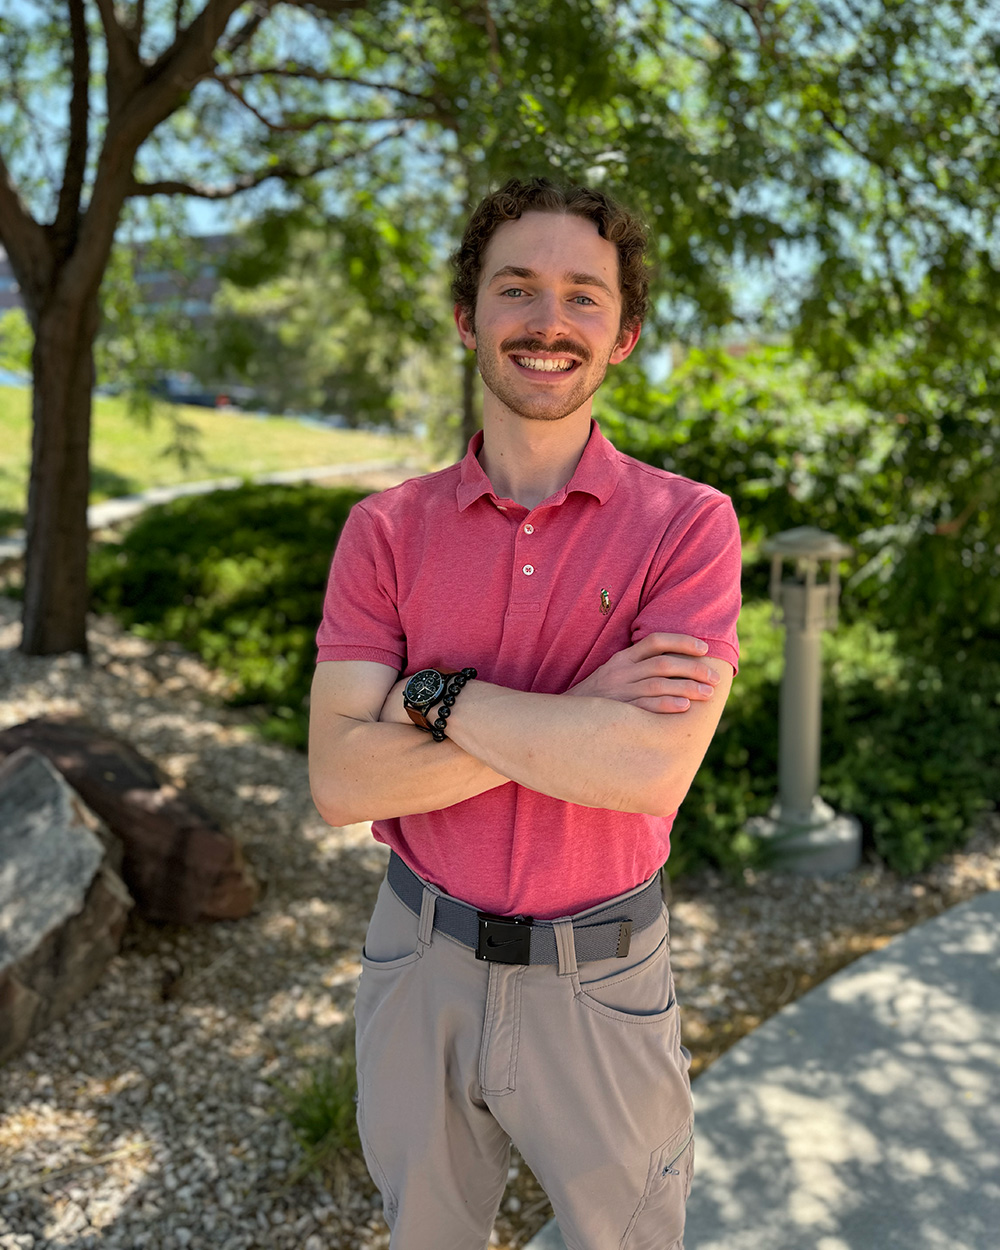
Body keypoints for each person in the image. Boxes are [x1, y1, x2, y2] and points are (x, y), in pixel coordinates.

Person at [309, 176, 741, 1250]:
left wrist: (431, 698)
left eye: (584, 296)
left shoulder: (687, 527)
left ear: (624, 333)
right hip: (419, 958)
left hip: (600, 980)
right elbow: (340, 783)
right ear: (468, 317)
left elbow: (646, 770)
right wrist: (575, 713)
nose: (549, 321)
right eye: (517, 289)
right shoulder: (385, 531)